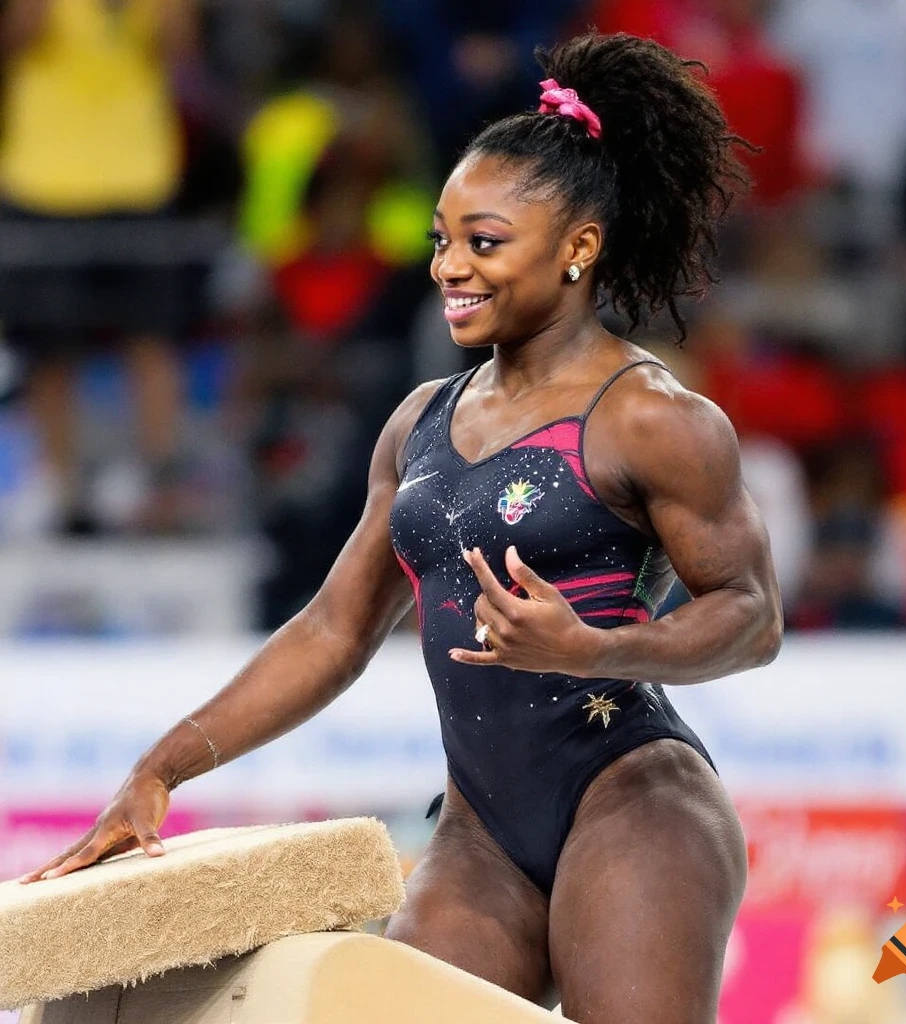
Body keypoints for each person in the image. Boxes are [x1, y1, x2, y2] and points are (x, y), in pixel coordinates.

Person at [21, 33, 783, 1023]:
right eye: (441, 238)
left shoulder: (653, 419)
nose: (449, 267)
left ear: (577, 249)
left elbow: (751, 616)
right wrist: (160, 767)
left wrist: (594, 646)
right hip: (480, 827)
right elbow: (333, 631)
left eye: (483, 242)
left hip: (632, 801)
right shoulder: (420, 421)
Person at [0, 0, 196, 533]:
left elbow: (180, 47)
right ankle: (58, 488)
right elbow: (17, 39)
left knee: (152, 336)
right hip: (43, 176)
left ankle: (156, 483)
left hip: (137, 174)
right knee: (47, 348)